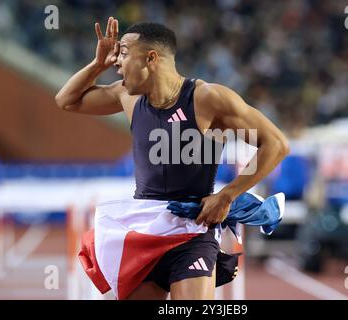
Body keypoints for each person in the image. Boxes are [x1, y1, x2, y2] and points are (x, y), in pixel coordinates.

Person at [56, 17, 289, 300]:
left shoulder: (207, 98)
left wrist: (227, 195)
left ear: (150, 57)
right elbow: (66, 100)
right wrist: (98, 64)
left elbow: (275, 144)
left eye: (124, 53)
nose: (117, 61)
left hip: (192, 230)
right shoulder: (127, 98)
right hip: (143, 229)